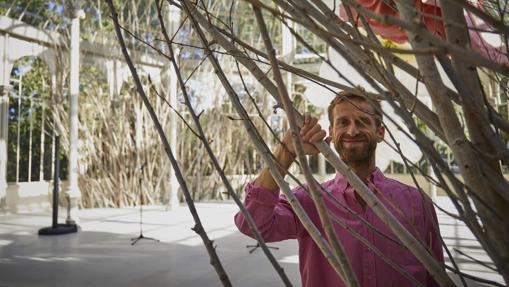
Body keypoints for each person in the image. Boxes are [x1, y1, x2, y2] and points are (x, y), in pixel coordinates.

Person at [234, 91, 444, 287]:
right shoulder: (309, 200)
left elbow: (436, 276)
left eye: (362, 122)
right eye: (343, 123)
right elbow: (252, 224)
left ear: (380, 132)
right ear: (332, 134)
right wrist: (287, 150)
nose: (352, 130)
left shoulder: (415, 200)